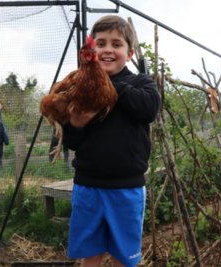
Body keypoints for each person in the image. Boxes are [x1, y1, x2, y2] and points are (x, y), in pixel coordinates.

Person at [63, 15, 161, 267]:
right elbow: (71, 141)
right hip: (88, 186)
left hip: (126, 189)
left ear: (129, 53)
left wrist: (109, 86)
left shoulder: (140, 82)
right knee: (91, 254)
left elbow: (149, 109)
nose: (108, 49)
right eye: (101, 43)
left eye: (116, 44)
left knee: (123, 256)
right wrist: (75, 123)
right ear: (91, 50)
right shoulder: (82, 88)